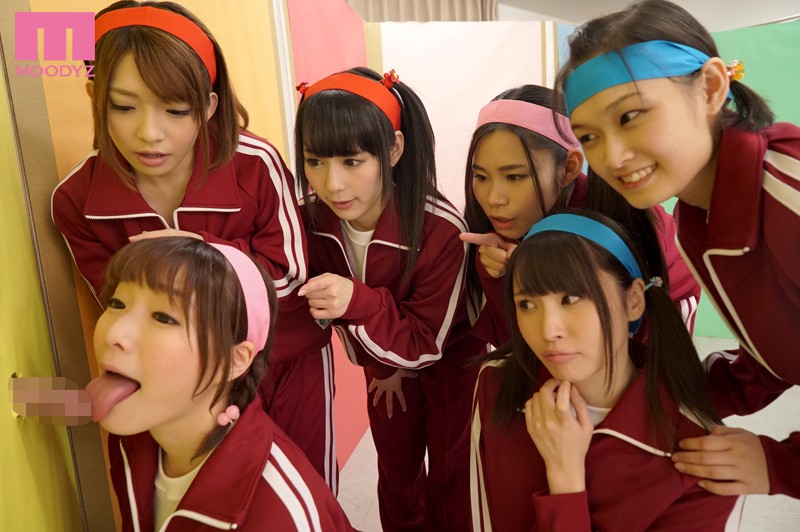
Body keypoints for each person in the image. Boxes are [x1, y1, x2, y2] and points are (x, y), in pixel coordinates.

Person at [50, 1, 338, 489]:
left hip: (285, 364)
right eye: (123, 106)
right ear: (94, 95)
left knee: (304, 492)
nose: (149, 133)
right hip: (179, 386)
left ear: (208, 106)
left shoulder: (255, 163)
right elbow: (115, 303)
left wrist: (192, 247)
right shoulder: (77, 200)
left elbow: (288, 275)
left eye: (176, 110)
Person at [554, 0, 799, 498]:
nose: (612, 157)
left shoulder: (787, 194)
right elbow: (777, 347)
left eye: (630, 116)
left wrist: (782, 465)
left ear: (710, 87)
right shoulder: (698, 214)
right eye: (589, 137)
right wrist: (648, 390)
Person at [294, 67, 484, 531]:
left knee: (451, 473)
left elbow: (427, 340)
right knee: (397, 470)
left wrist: (356, 302)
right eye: (315, 161)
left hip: (451, 362)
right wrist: (384, 365)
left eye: (352, 162)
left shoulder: (441, 229)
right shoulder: (309, 221)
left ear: (394, 149)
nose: (332, 184)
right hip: (382, 360)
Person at [471, 210, 743, 531]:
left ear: (633, 301)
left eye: (571, 299)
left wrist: (565, 476)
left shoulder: (700, 454)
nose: (548, 330)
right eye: (527, 304)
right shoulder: (497, 384)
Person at [87, 237, 352, 531]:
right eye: (116, 303)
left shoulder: (279, 515)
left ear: (234, 360)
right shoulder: (137, 435)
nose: (114, 333)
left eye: (163, 317)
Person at [460, 85, 700, 348]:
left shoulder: (627, 220)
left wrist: (537, 272)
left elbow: (621, 350)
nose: (494, 198)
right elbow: (522, 345)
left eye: (515, 177)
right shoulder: (499, 236)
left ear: (569, 167)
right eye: (481, 176)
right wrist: (498, 276)